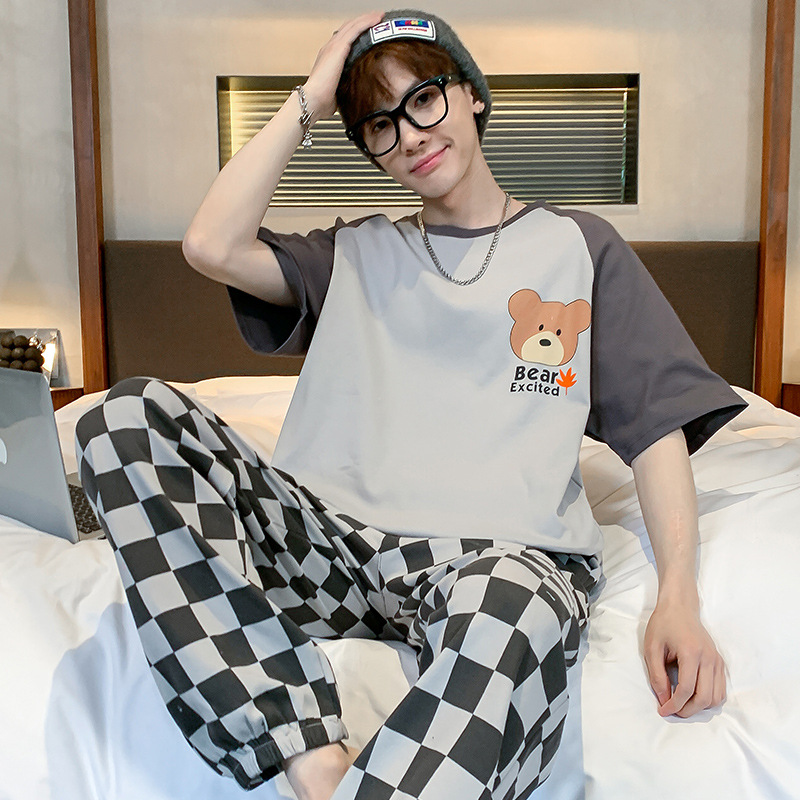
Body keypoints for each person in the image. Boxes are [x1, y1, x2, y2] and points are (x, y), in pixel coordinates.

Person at [75, 9, 747, 800]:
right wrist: (312, 95)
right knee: (120, 418)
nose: (411, 136)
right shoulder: (351, 254)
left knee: (516, 604)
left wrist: (678, 596)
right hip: (328, 549)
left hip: (494, 556)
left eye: (424, 100)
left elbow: (656, 426)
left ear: (472, 95)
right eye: (380, 126)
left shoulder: (579, 246)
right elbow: (210, 245)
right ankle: (308, 753)